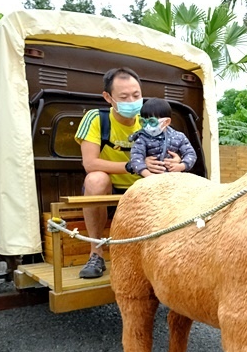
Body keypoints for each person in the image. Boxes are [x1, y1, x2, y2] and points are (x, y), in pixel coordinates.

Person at [73, 67, 180, 278]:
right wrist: (133, 165)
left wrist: (178, 160)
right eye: (124, 96)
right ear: (108, 97)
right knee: (95, 179)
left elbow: (174, 142)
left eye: (136, 95)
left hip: (145, 187)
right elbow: (90, 163)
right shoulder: (95, 118)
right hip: (110, 190)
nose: (131, 101)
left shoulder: (149, 118)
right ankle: (96, 253)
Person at [128, 98, 197, 177]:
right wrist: (148, 175)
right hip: (150, 179)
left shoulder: (179, 137)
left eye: (152, 121)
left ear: (166, 122)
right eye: (144, 122)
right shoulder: (142, 138)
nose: (147, 126)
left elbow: (191, 154)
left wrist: (181, 166)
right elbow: (136, 158)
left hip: (174, 178)